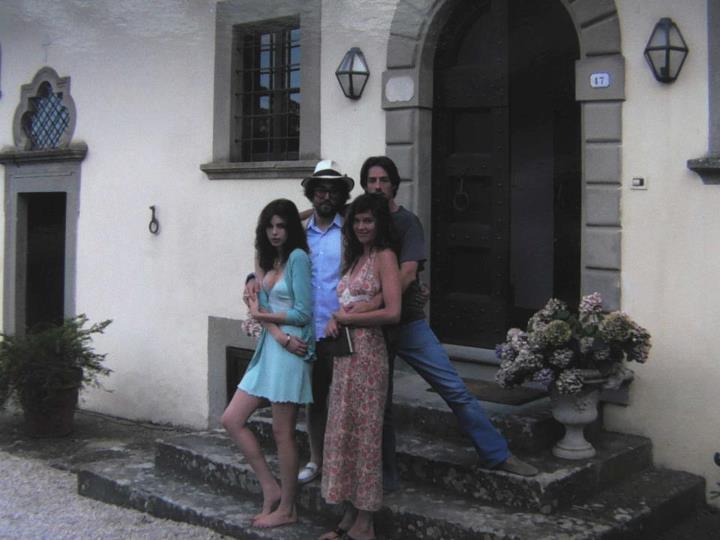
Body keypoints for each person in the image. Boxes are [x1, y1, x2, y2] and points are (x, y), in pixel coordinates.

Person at [358, 156, 539, 483]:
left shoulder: (407, 223)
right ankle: (385, 478)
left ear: (394, 184)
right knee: (380, 406)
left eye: (384, 180)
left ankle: (497, 454)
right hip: (371, 329)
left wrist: (373, 302)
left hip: (407, 323)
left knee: (454, 388)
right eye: (372, 181)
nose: (378, 186)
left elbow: (408, 273)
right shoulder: (358, 221)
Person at [246, 160, 354, 486]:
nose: (326, 196)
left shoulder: (349, 231)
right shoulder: (299, 232)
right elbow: (269, 256)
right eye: (320, 190)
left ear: (342, 195)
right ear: (311, 194)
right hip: (305, 332)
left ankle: (343, 468)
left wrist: (344, 316)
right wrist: (252, 277)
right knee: (314, 403)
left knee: (345, 405)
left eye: (333, 190)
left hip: (340, 328)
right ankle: (317, 460)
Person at [222, 198, 314, 529]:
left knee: (282, 431)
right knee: (232, 419)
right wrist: (273, 330)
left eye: (282, 226)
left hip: (293, 348)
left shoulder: (298, 258)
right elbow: (260, 309)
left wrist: (265, 318)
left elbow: (303, 312)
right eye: (270, 226)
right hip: (274, 344)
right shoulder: (267, 259)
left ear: (291, 229)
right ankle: (269, 486)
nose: (275, 232)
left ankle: (287, 508)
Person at [320, 193, 401, 540]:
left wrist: (349, 319)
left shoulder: (385, 256)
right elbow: (347, 306)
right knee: (345, 432)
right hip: (345, 357)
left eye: (368, 220)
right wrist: (334, 320)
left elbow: (393, 312)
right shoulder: (354, 258)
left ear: (379, 223)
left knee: (366, 436)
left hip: (369, 357)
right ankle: (348, 514)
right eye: (357, 220)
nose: (362, 226)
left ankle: (365, 523)